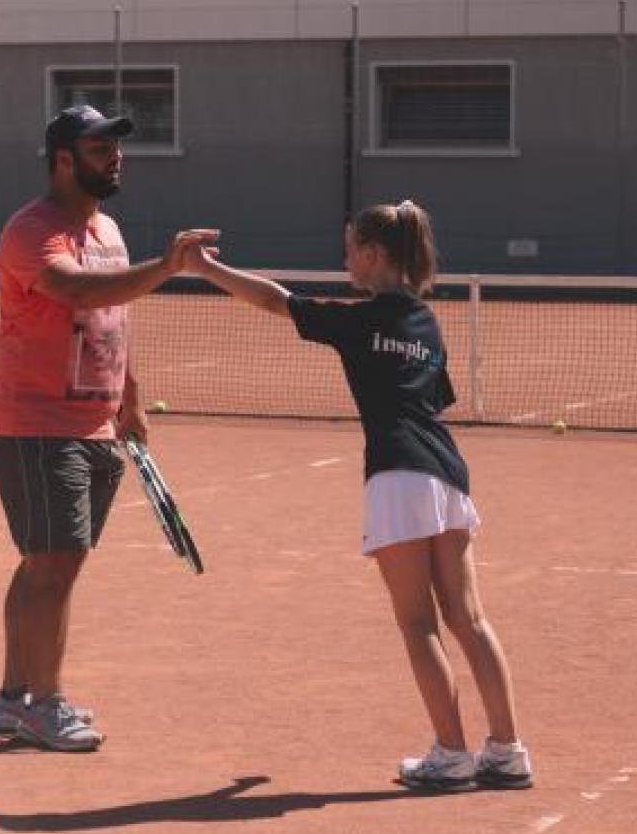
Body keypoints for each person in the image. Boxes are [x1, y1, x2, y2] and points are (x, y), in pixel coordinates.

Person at [185, 201, 532, 791]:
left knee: (419, 623)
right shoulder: (427, 322)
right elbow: (435, 397)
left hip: (397, 475)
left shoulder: (357, 323)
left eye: (350, 249)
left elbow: (276, 300)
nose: (345, 259)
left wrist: (206, 270)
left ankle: (451, 756)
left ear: (373, 255)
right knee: (468, 618)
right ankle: (508, 751)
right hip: (448, 472)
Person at [0, 105, 216, 752]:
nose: (115, 156)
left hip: (97, 424)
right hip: (35, 424)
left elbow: (111, 319)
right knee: (53, 564)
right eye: (99, 147)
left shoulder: (108, 228)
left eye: (117, 146)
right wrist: (168, 268)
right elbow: (79, 293)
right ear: (63, 160)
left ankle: (11, 699)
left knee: (46, 565)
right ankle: (45, 704)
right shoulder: (32, 233)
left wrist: (131, 398)